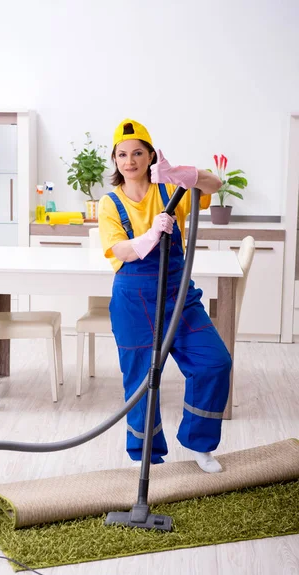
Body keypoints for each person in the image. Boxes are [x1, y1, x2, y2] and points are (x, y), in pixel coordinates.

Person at [98, 119, 232, 474]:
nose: (130, 160)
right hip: (134, 302)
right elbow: (119, 250)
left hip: (179, 296)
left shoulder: (169, 190)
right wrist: (149, 236)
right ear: (115, 159)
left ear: (150, 155)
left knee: (214, 362)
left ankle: (200, 444)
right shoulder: (109, 203)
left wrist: (180, 173)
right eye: (123, 154)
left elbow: (214, 184)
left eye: (138, 153)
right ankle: (147, 459)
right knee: (143, 382)